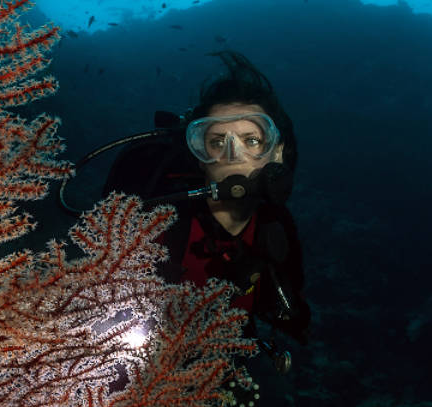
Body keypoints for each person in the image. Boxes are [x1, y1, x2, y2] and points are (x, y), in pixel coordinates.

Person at [94, 51, 312, 367]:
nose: (233, 155)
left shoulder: (278, 231)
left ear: (276, 152)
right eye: (217, 141)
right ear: (199, 156)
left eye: (251, 141)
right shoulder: (157, 222)